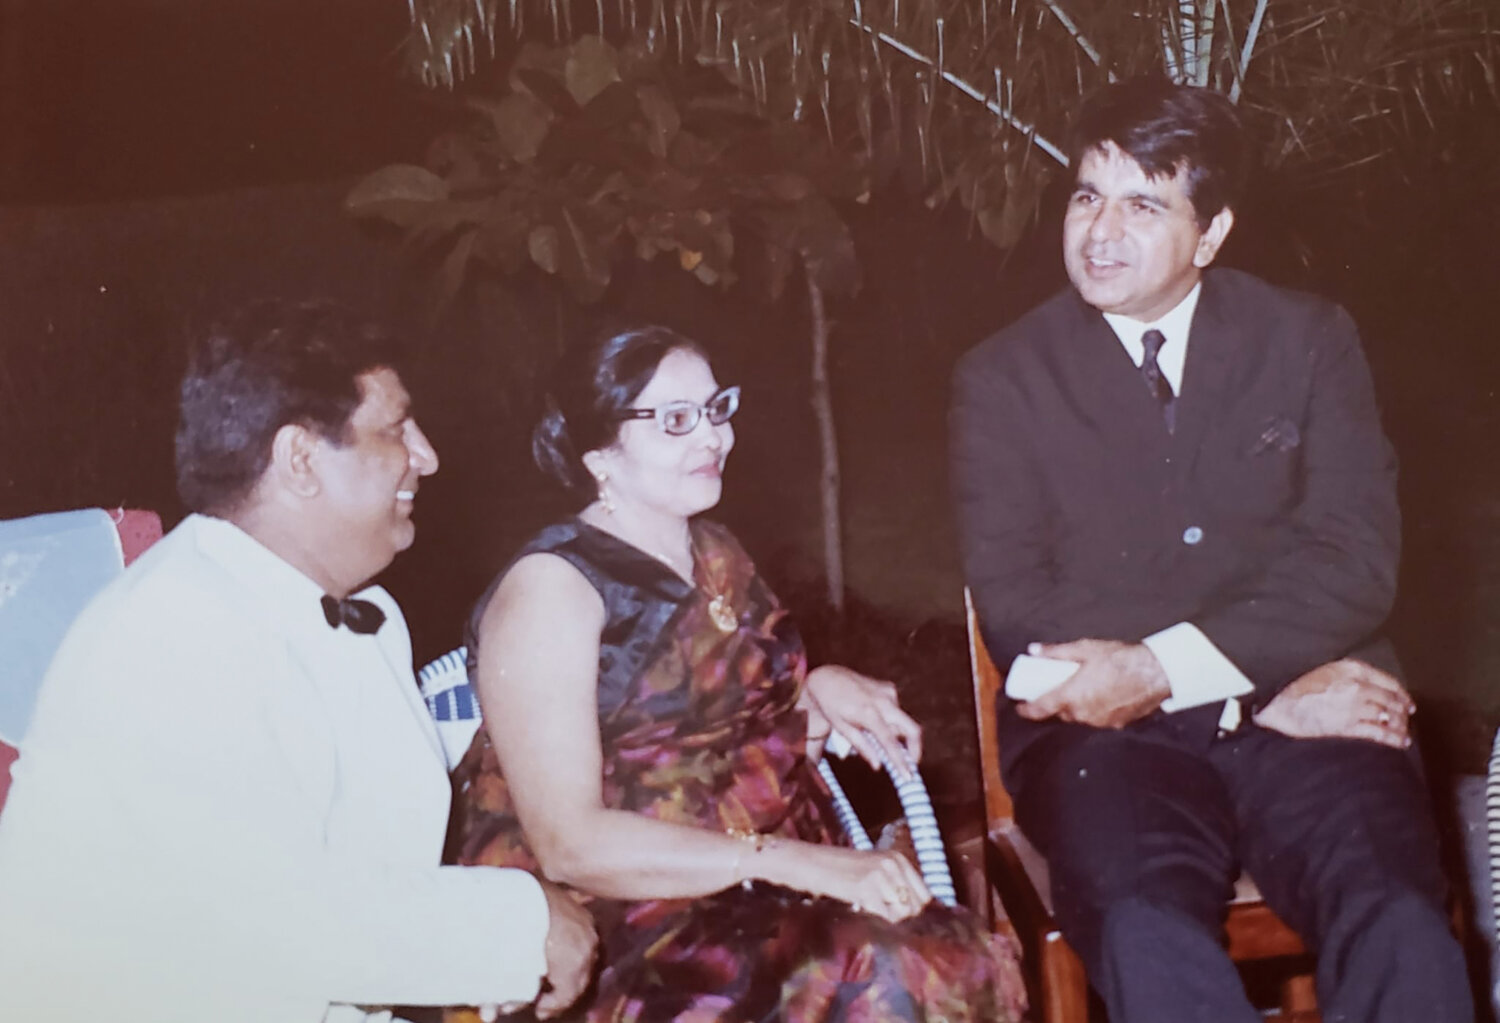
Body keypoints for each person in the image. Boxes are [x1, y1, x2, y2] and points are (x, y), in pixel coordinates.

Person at [950, 77, 1471, 1021]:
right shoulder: (1003, 380)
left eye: (1142, 204)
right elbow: (1023, 605)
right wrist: (1240, 700)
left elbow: (1353, 557)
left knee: (1398, 917)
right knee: (1149, 930)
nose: (1099, 232)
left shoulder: (1307, 340)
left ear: (1213, 233)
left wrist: (1177, 669)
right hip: (1108, 743)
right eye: (1085, 196)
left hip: (1320, 725)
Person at [0, 300, 596, 1023]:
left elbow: (354, 890)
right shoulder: (174, 628)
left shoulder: (363, 619)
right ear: (301, 459)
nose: (428, 456)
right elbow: (271, 921)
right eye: (395, 429)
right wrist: (519, 925)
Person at [447, 326, 1026, 1023]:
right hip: (632, 916)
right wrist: (794, 864)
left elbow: (715, 725)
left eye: (716, 408)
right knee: (890, 979)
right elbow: (571, 844)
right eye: (675, 420)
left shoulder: (712, 546)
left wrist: (818, 685)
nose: (713, 438)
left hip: (757, 874)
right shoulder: (552, 590)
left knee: (942, 960)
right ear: (599, 452)